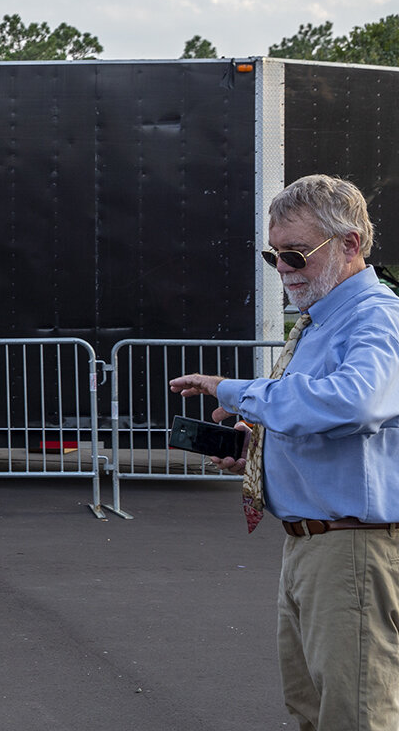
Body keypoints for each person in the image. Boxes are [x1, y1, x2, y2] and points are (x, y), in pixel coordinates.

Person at [168, 174, 399, 731]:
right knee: (313, 709)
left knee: (355, 712)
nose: (283, 270)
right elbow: (325, 420)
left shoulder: (375, 315)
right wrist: (257, 446)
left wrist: (233, 389)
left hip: (350, 546)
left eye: (295, 255)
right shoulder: (325, 319)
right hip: (314, 543)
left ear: (350, 245)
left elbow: (357, 403)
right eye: (275, 255)